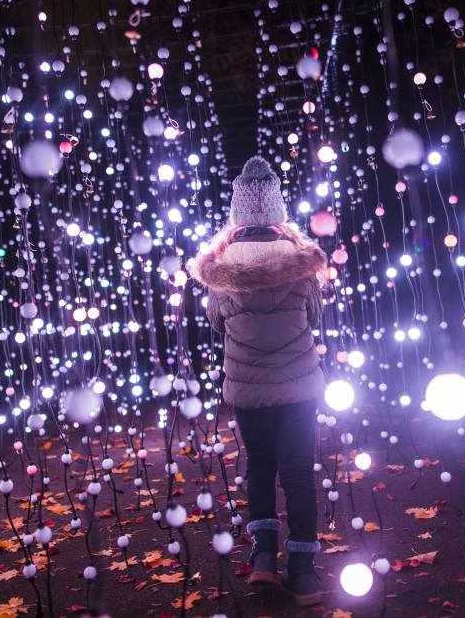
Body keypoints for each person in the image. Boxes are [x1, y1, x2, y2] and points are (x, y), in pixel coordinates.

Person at [189, 155, 327, 606]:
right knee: (299, 472)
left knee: (262, 467)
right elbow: (314, 316)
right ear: (278, 213)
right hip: (300, 388)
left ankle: (264, 558)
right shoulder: (301, 263)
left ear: (237, 217)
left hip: (247, 390)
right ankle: (303, 572)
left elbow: (216, 323)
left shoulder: (220, 269)